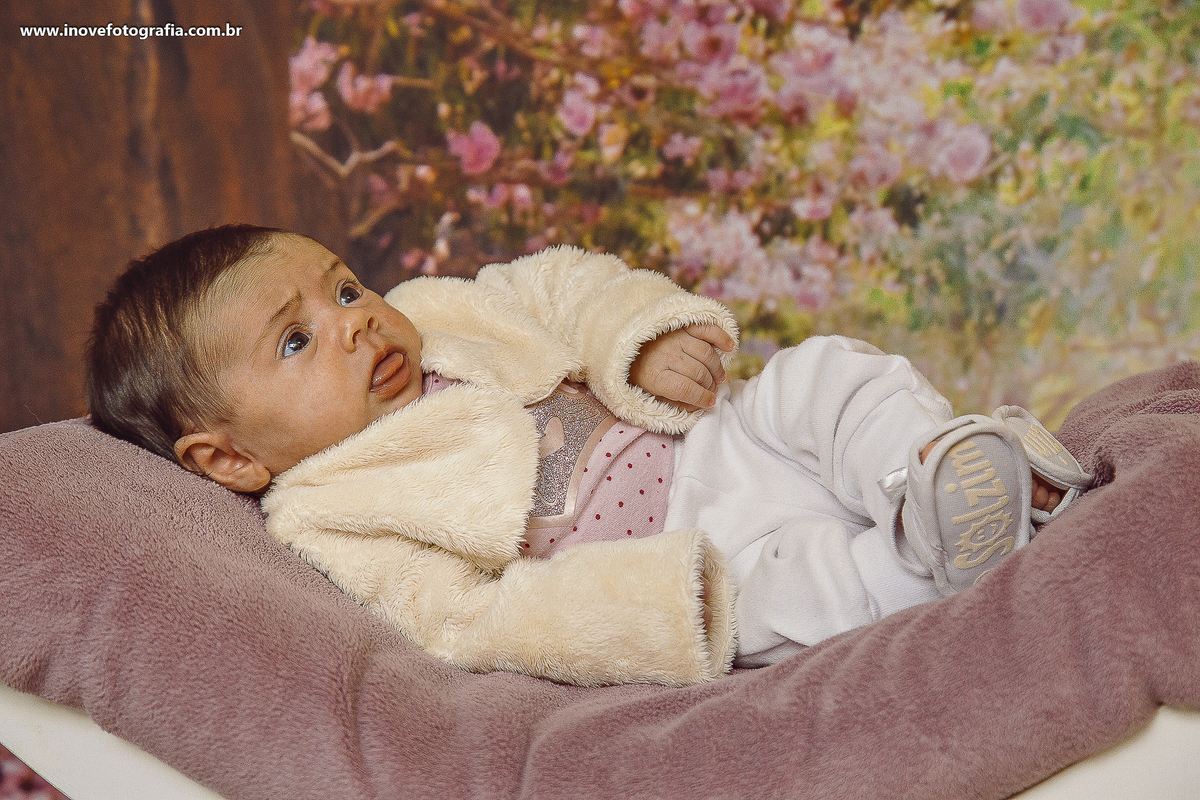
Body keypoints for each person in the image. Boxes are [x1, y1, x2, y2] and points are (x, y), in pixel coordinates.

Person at [85, 224, 1090, 685]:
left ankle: (930, 466)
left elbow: (561, 284)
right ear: (228, 460)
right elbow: (460, 620)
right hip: (687, 554)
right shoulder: (331, 515)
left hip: (719, 438)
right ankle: (940, 546)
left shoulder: (440, 310)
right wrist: (647, 608)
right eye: (295, 340)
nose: (354, 321)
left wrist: (636, 340)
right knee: (802, 595)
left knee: (822, 375)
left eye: (345, 288)